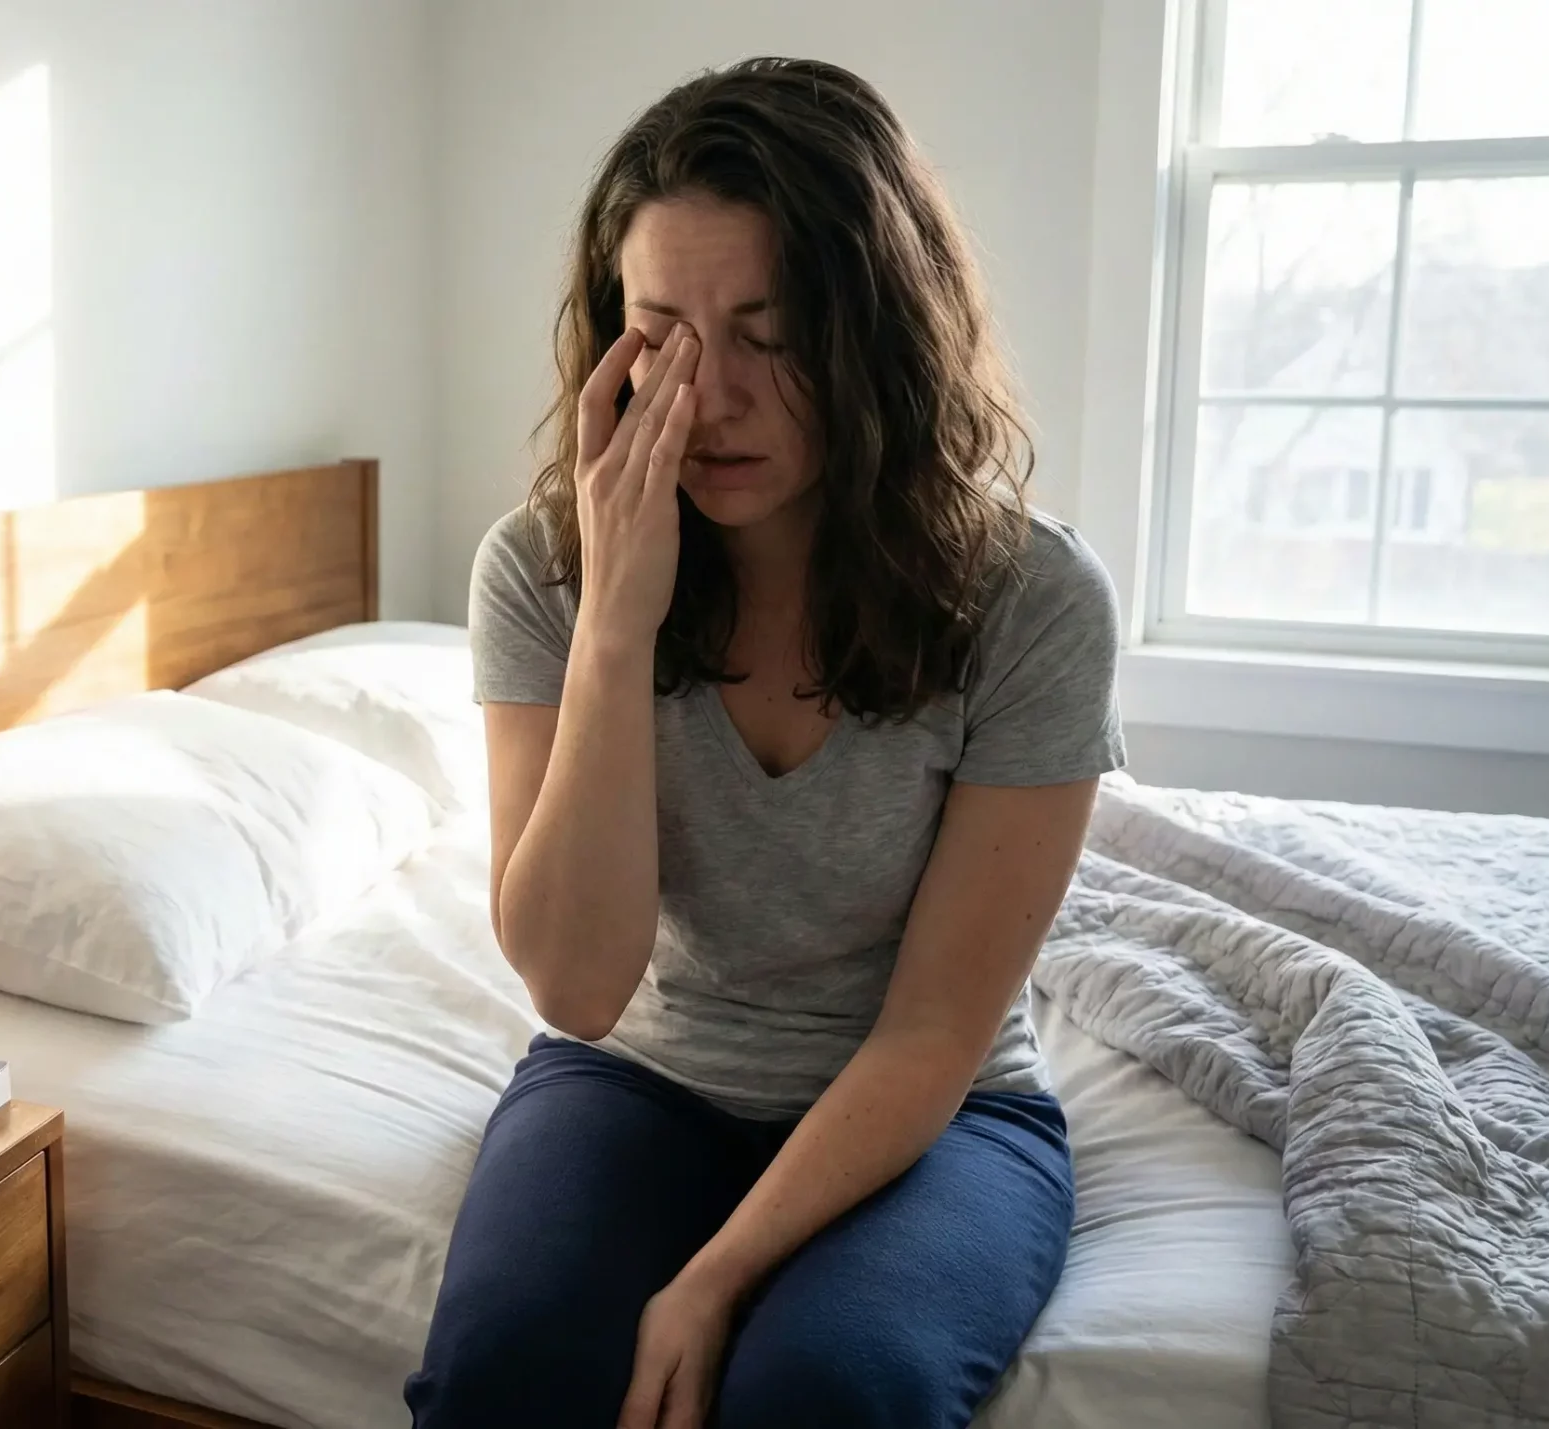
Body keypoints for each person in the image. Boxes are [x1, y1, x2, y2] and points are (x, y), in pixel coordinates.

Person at [404, 57, 1123, 1429]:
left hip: (941, 1116)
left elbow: (930, 1035)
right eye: (663, 331)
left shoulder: (1034, 599)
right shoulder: (539, 571)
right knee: (508, 1371)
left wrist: (715, 1279)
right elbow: (575, 985)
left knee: (829, 1392)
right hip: (635, 1077)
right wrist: (616, 627)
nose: (712, 394)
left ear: (877, 340)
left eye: (771, 333)